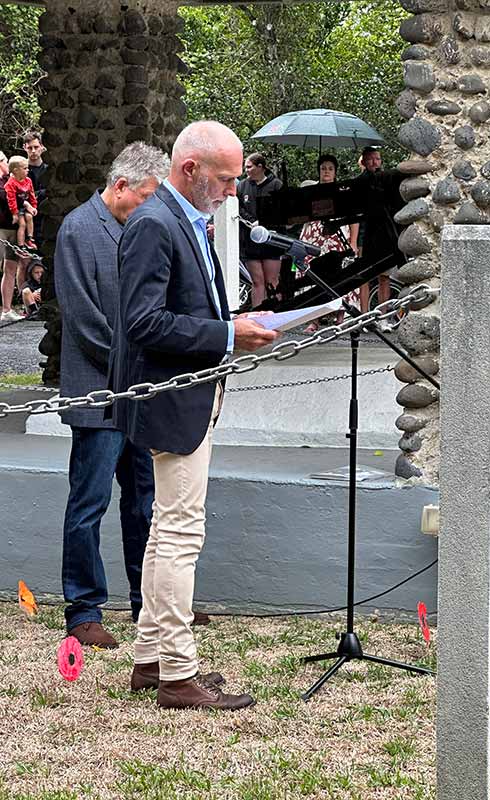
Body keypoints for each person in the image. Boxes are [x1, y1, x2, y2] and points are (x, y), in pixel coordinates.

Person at [108, 120, 278, 711]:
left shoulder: (179, 219)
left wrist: (228, 328)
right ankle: (179, 673)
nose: (233, 190)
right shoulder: (157, 224)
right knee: (180, 533)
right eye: (227, 179)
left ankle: (151, 660)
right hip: (170, 397)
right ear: (190, 171)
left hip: (188, 393)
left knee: (166, 532)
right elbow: (143, 322)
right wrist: (227, 332)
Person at [54, 142, 170, 649]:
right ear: (121, 186)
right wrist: (131, 370)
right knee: (89, 503)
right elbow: (82, 320)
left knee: (144, 504)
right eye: (146, 196)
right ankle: (83, 608)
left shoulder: (138, 229)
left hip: (138, 396)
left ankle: (149, 603)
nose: (151, 206)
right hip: (99, 395)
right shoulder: (79, 229)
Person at [300, 154, 359, 332]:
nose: (326, 171)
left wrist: (353, 242)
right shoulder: (311, 191)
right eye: (323, 168)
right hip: (314, 236)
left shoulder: (343, 190)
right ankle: (315, 319)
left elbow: (353, 217)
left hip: (338, 237)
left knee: (339, 275)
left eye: (330, 168)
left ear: (335, 172)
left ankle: (340, 318)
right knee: (314, 276)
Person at [356, 145, 402, 328]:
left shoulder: (388, 180)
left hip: (386, 234)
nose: (375, 162)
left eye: (377, 159)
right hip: (367, 234)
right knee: (365, 277)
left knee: (385, 277)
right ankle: (365, 316)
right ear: (364, 161)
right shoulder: (360, 182)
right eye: (371, 159)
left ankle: (383, 316)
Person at [237, 152, 283, 306]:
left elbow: (282, 211)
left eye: (249, 167)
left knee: (272, 281)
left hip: (271, 240)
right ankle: (257, 318)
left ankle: (277, 316)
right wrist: (252, 222)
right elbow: (237, 208)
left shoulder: (276, 185)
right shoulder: (242, 185)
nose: (247, 170)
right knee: (257, 282)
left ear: (260, 167)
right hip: (250, 241)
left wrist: (265, 222)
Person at [0, 151, 25, 322]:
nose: (6, 162)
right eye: (2, 160)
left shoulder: (10, 181)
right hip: (2, 229)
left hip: (13, 228)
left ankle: (7, 309)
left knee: (10, 269)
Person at [5, 155, 37, 252]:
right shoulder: (10, 184)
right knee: (22, 224)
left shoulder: (28, 181)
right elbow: (11, 199)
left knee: (29, 217)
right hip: (17, 208)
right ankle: (21, 245)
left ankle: (30, 239)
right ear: (16, 170)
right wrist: (14, 213)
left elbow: (32, 195)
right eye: (25, 168)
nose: (28, 170)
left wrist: (34, 206)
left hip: (26, 207)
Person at [23, 131, 48, 247]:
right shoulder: (20, 171)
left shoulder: (49, 170)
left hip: (45, 219)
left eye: (36, 147)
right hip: (27, 222)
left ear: (42, 147)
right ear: (24, 148)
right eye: (30, 148)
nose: (33, 151)